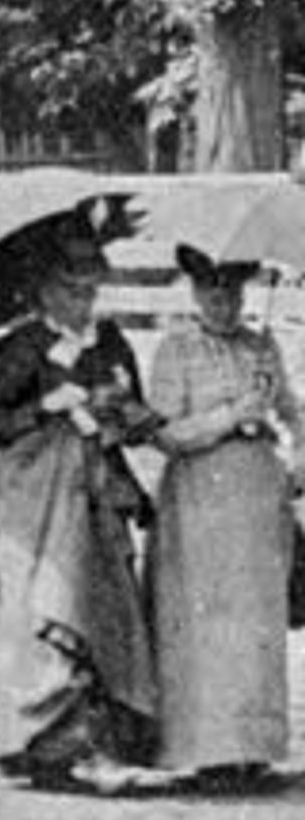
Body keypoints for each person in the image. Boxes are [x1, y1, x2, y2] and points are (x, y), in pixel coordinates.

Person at [0, 225, 158, 789]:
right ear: (43, 290)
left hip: (96, 497)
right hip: (40, 506)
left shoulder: (109, 344)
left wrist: (124, 413)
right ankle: (51, 745)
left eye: (90, 290)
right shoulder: (18, 349)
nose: (82, 303)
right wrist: (45, 407)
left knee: (107, 609)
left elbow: (138, 417)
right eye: (70, 290)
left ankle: (106, 740)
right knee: (51, 608)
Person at [141, 247, 294, 790]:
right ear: (194, 293)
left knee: (254, 621)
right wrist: (232, 415)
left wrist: (292, 447)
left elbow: (293, 412)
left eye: (232, 291)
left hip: (255, 496)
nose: (223, 302)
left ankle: (253, 748)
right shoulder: (176, 349)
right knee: (208, 620)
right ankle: (208, 750)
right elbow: (164, 432)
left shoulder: (261, 345)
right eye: (212, 291)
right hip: (201, 498)